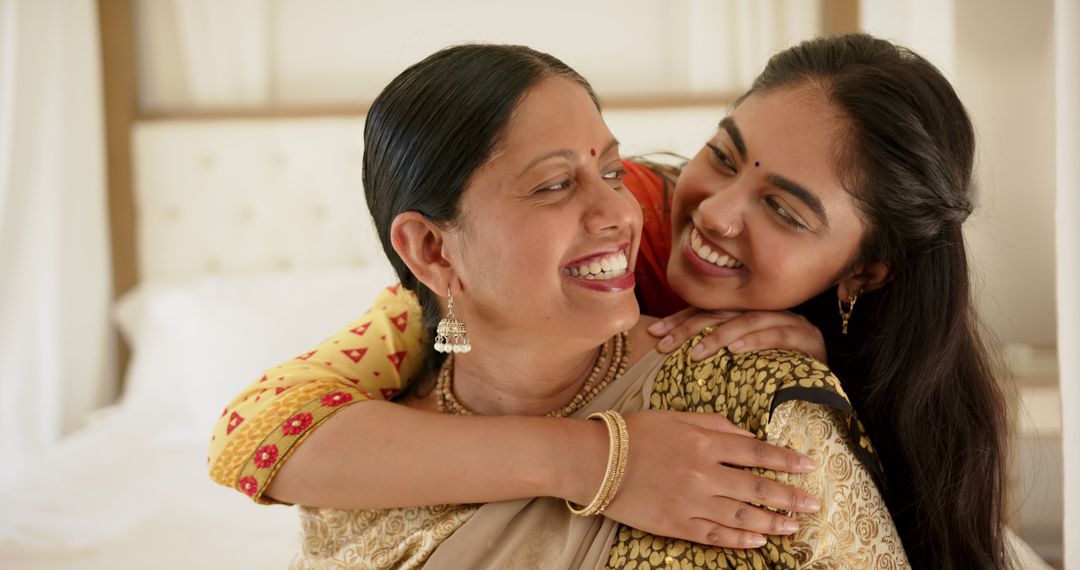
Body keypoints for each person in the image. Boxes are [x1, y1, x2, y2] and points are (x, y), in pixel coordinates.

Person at [211, 35, 1011, 568]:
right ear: (430, 249)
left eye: (786, 210)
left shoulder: (776, 389)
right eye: (724, 157)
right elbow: (252, 435)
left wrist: (808, 364)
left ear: (862, 277)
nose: (718, 213)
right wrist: (601, 458)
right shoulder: (633, 214)